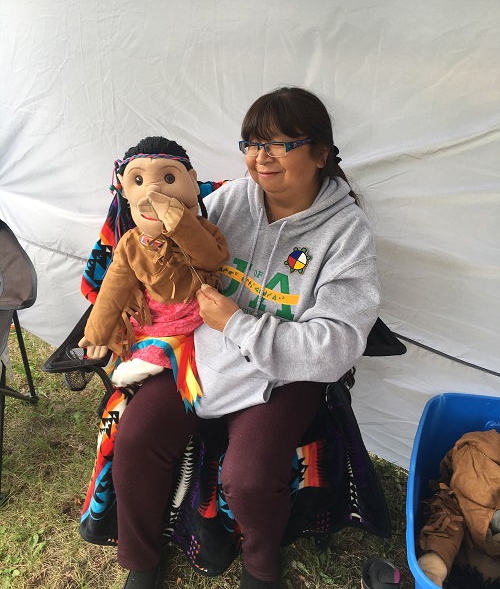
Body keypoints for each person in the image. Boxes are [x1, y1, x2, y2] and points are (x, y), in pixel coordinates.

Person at [110, 87, 381, 589]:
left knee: (249, 477)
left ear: (320, 153)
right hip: (200, 355)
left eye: (279, 144)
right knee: (138, 436)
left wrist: (238, 323)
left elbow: (338, 343)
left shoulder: (346, 232)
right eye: (252, 143)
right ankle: (140, 560)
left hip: (282, 372)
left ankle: (261, 571)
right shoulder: (232, 198)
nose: (261, 157)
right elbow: (170, 246)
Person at [77, 137, 229, 409]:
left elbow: (210, 258)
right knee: (129, 337)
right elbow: (114, 288)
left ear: (192, 181)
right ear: (125, 191)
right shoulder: (132, 244)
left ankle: (150, 365)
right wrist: (96, 332)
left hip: (196, 309)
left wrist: (177, 220)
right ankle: (139, 371)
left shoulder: (204, 231)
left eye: (169, 178)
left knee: (189, 343)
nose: (154, 189)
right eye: (138, 181)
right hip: (152, 314)